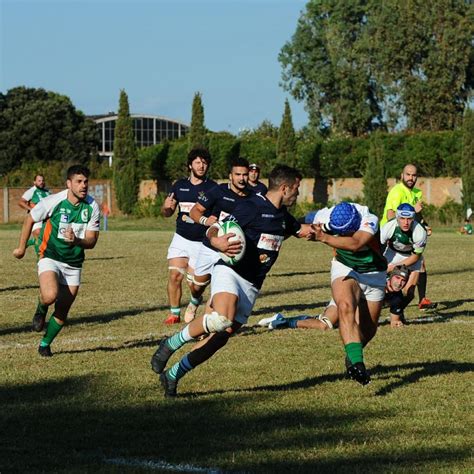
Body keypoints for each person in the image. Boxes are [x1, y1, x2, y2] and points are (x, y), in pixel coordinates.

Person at [150, 165, 313, 397]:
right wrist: (216, 242)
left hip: (252, 284)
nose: (298, 194)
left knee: (219, 338)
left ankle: (173, 374)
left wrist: (327, 230)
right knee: (221, 318)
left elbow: (302, 230)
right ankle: (169, 345)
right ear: (285, 188)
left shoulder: (282, 217)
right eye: (296, 188)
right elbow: (215, 229)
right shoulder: (252, 206)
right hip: (230, 271)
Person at [13, 165, 100, 356]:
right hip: (50, 256)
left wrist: (77, 240)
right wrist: (21, 249)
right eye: (78, 181)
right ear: (68, 183)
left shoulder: (92, 206)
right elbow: (30, 220)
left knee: (63, 309)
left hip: (74, 263)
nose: (83, 185)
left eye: (86, 181)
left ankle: (45, 344)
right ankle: (41, 307)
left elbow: (92, 240)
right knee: (50, 295)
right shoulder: (52, 201)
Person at [310, 202, 388, 385]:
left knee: (368, 330)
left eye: (346, 232)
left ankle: (352, 352)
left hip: (373, 274)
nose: (343, 236)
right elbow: (303, 224)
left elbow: (355, 243)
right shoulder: (326, 215)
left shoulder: (369, 219)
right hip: (344, 266)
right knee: (345, 307)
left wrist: (323, 237)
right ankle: (357, 364)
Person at [186, 156, 251, 322]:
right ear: (230, 175)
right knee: (197, 286)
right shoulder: (218, 191)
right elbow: (195, 211)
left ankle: (208, 323)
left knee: (220, 286)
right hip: (210, 246)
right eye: (238, 174)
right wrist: (205, 220)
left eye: (244, 175)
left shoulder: (253, 198)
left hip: (232, 250)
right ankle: (194, 300)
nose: (242, 178)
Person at [258, 265, 411, 330]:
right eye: (398, 278)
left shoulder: (397, 298)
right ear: (391, 277)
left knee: (326, 321)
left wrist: (397, 324)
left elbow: (394, 321)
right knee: (326, 325)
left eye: (403, 281)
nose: (400, 282)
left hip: (355, 305)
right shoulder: (376, 281)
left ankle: (280, 318)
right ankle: (285, 323)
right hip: (347, 296)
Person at [161, 148, 218, 325]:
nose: (201, 166)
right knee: (175, 275)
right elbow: (167, 212)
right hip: (181, 238)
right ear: (190, 165)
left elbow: (215, 217)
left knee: (196, 286)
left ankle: (194, 301)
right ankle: (174, 313)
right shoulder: (179, 186)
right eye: (198, 162)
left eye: (204, 163)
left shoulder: (213, 188)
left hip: (202, 243)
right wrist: (166, 207)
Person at [380, 163, 435, 310]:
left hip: (409, 237)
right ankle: (383, 298)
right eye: (408, 174)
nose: (411, 178)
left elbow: (416, 214)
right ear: (402, 176)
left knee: (419, 264)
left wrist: (424, 224)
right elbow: (390, 213)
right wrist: (396, 229)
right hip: (393, 238)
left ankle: (421, 299)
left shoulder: (416, 193)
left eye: (414, 175)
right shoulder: (397, 191)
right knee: (387, 272)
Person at [380, 203, 429, 320]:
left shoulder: (420, 232)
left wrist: (395, 267)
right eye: (402, 218)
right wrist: (383, 268)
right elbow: (379, 250)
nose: (406, 222)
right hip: (392, 253)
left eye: (409, 219)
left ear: (413, 218)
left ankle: (397, 311)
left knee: (409, 292)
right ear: (397, 217)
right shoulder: (388, 227)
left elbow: (416, 257)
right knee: (379, 283)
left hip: (412, 257)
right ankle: (380, 303)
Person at [18, 174, 51, 249]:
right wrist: (32, 210)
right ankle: (40, 257)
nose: (41, 182)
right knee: (38, 233)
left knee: (49, 237)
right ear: (34, 182)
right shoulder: (31, 191)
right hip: (36, 218)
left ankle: (32, 241)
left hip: (47, 218)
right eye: (39, 181)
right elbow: (21, 202)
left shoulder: (48, 191)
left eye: (42, 180)